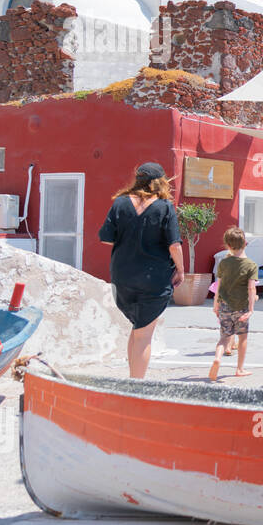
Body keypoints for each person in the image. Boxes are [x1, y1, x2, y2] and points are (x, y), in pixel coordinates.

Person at [99, 162, 184, 379]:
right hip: (153, 279)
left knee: (137, 329)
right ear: (160, 182)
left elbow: (106, 238)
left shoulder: (120, 203)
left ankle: (132, 379)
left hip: (123, 277)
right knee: (144, 335)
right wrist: (181, 270)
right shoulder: (164, 207)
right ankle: (137, 386)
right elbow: (174, 245)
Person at [209, 226, 258, 381]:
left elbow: (219, 285)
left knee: (224, 338)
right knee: (242, 338)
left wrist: (215, 305)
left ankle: (217, 358)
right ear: (245, 244)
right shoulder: (251, 265)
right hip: (241, 308)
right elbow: (251, 288)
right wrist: (250, 309)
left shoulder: (224, 263)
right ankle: (239, 368)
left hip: (224, 305)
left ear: (227, 245)